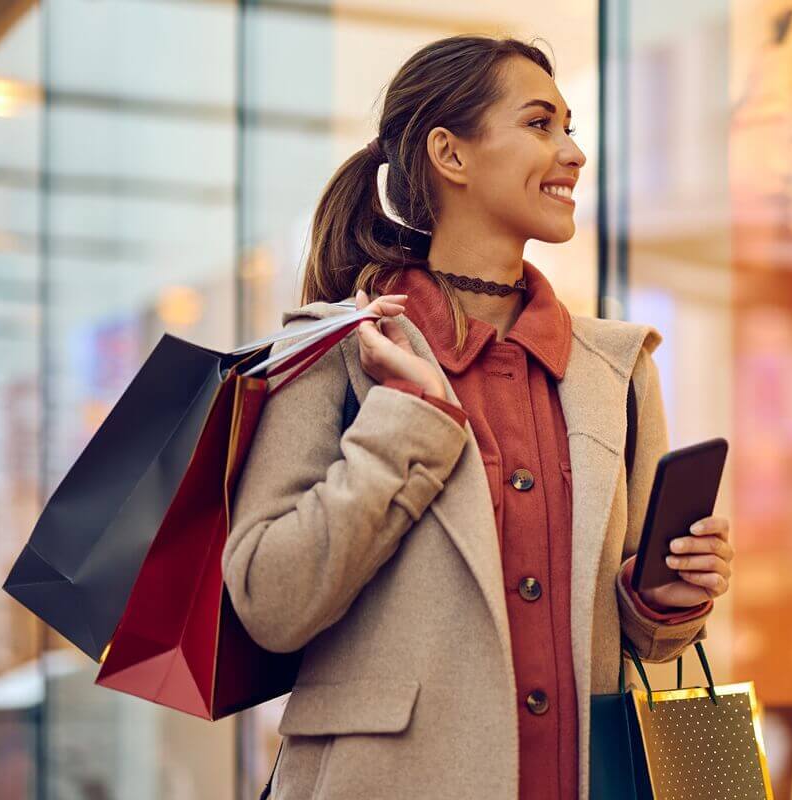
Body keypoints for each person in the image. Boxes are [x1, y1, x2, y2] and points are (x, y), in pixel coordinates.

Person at [221, 35, 734, 800]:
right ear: (449, 155)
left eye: (569, 127)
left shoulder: (618, 371)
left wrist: (670, 591)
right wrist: (405, 422)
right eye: (539, 125)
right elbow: (271, 599)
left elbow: (641, 636)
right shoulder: (337, 348)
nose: (572, 152)